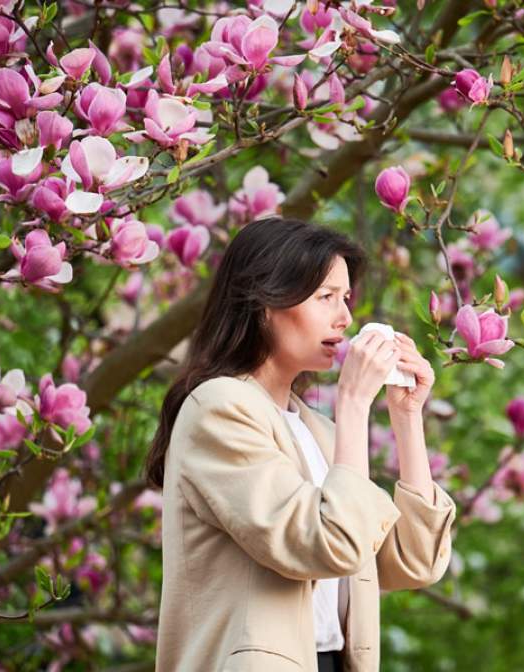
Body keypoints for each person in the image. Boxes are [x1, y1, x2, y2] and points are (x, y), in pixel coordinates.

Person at [145, 217, 456, 672]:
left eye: (345, 298)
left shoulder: (319, 432)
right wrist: (354, 403)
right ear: (265, 304)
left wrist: (407, 418)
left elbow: (412, 561)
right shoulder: (218, 409)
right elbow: (326, 545)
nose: (345, 317)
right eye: (325, 297)